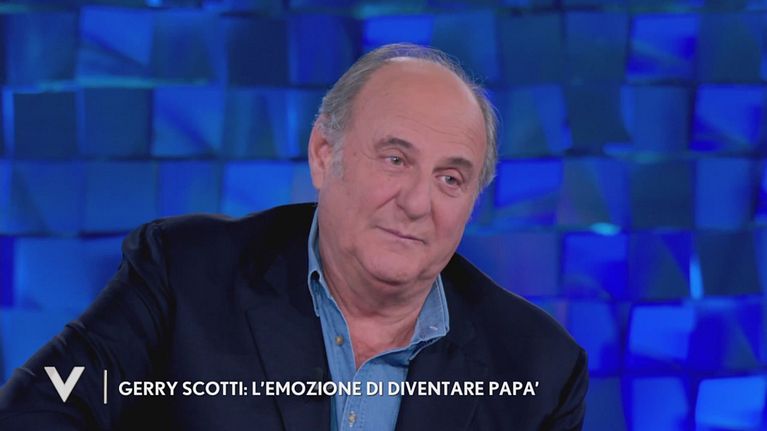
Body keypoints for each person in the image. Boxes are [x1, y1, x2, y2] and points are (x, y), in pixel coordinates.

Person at [0, 43, 588, 430]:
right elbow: (42, 404)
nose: (417, 203)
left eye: (450, 179)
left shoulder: (539, 368)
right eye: (395, 159)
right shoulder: (184, 274)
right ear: (324, 155)